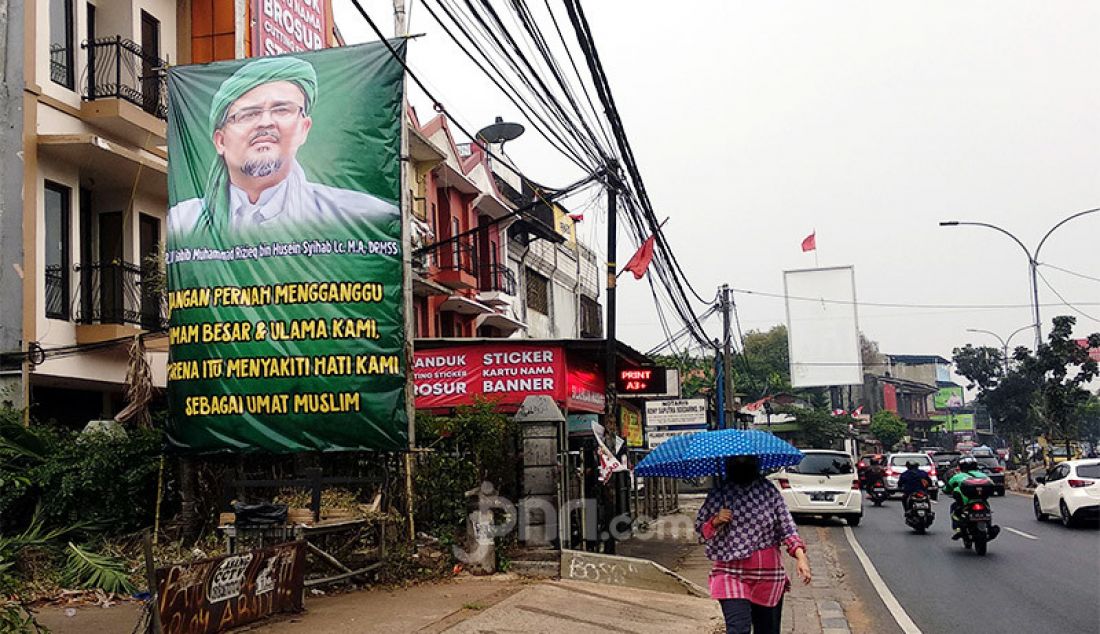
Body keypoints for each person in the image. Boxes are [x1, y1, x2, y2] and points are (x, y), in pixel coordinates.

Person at [169, 56, 397, 238]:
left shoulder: (360, 217)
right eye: (249, 114)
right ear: (220, 141)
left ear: (304, 129)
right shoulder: (184, 223)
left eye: (282, 110)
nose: (266, 122)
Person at [695, 455, 812, 634]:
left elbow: (787, 529)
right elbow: (701, 530)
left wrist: (801, 558)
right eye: (738, 463)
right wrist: (716, 521)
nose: (743, 467)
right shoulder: (719, 493)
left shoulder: (769, 492)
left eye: (747, 462)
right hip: (731, 573)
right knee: (738, 629)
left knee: (767, 630)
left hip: (768, 577)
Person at [942, 457, 997, 540]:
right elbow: (992, 485)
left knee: (954, 509)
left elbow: (947, 488)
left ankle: (958, 529)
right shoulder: (982, 475)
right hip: (982, 502)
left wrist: (946, 490)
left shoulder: (958, 476)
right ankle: (989, 527)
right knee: (987, 509)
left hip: (966, 504)